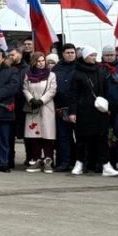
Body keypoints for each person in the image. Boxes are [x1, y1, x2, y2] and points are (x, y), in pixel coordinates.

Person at [71, 46, 118, 176]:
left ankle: (106, 165)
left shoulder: (100, 70)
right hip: (83, 111)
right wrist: (73, 112)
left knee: (101, 138)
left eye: (95, 55)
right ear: (85, 57)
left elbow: (105, 89)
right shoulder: (77, 73)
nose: (94, 58)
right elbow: (73, 94)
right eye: (92, 55)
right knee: (82, 140)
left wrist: (107, 107)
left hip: (99, 110)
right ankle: (79, 163)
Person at [21, 52, 57, 173]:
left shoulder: (51, 75)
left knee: (47, 135)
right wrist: (31, 99)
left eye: (43, 61)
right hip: (33, 107)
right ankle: (36, 160)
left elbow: (52, 90)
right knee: (34, 135)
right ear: (34, 62)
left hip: (46, 107)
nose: (41, 63)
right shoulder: (28, 75)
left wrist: (41, 100)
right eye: (38, 61)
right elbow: (25, 88)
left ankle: (48, 160)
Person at [52, 44, 78, 172]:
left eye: (72, 52)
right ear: (63, 54)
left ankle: (78, 161)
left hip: (77, 107)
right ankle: (64, 162)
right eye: (67, 52)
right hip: (60, 107)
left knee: (78, 137)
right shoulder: (57, 68)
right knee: (63, 136)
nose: (70, 55)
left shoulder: (80, 67)